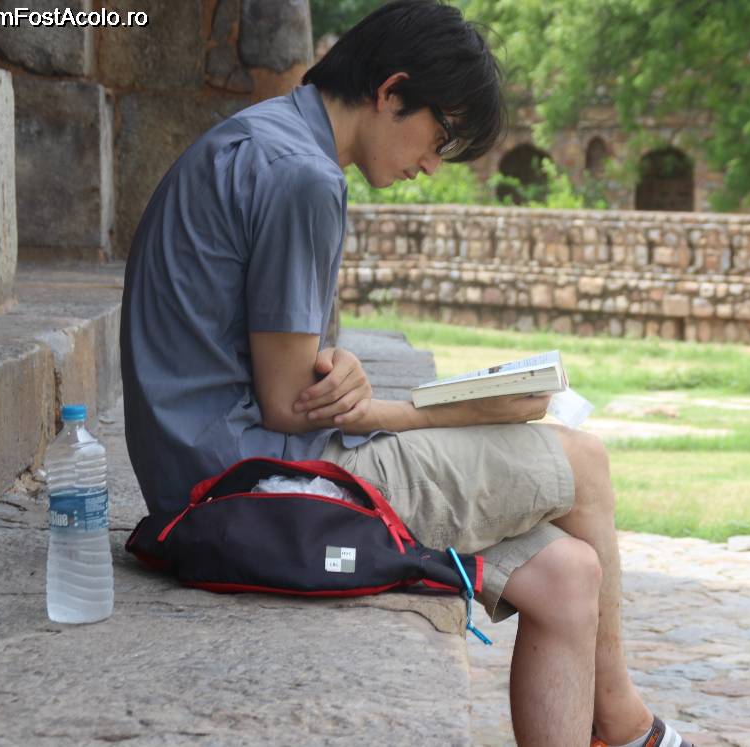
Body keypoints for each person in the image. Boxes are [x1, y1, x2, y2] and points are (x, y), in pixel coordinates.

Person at [120, 2, 689, 745]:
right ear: (391, 92)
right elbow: (291, 405)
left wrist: (343, 369)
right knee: (582, 460)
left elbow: (280, 365)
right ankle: (625, 724)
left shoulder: (259, 140)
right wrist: (459, 410)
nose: (431, 163)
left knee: (568, 577)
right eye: (440, 137)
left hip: (202, 472)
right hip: (250, 489)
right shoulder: (303, 177)